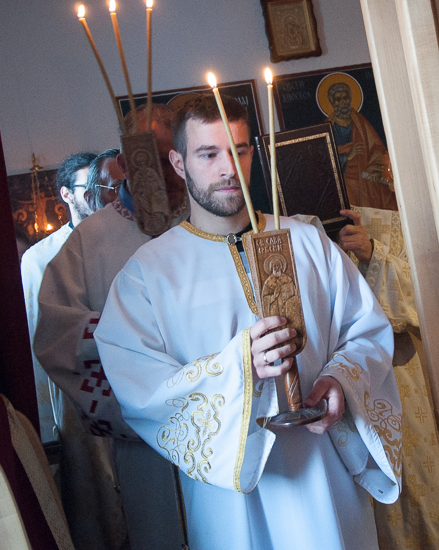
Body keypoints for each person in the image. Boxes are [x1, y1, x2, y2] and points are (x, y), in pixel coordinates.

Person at [94, 94, 402, 550]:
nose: (228, 169)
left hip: (325, 481)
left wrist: (340, 380)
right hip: (230, 504)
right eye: (208, 154)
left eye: (238, 150)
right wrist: (240, 365)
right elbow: (142, 390)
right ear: (178, 162)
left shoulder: (309, 242)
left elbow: (367, 332)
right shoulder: (148, 275)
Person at [33, 104, 186, 550]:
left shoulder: (208, 223)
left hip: (221, 426)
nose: (166, 172)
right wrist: (131, 335)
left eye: (173, 157)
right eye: (151, 158)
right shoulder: (90, 241)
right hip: (144, 443)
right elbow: (56, 335)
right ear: (123, 161)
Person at [334, 207, 439, 549]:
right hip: (331, 399)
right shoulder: (289, 231)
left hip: (397, 384)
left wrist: (372, 254)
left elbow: (424, 298)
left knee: (416, 500)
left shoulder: (390, 219)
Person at [20, 151, 96, 442]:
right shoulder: (40, 258)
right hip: (77, 382)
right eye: (87, 188)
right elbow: (37, 332)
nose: (98, 196)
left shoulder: (128, 240)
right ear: (67, 194)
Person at [325, 81, 398, 211]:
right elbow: (324, 162)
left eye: (345, 98)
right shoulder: (328, 127)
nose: (343, 102)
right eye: (338, 99)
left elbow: (377, 148)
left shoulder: (360, 123)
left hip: (365, 181)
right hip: (345, 184)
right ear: (332, 103)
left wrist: (373, 169)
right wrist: (347, 157)